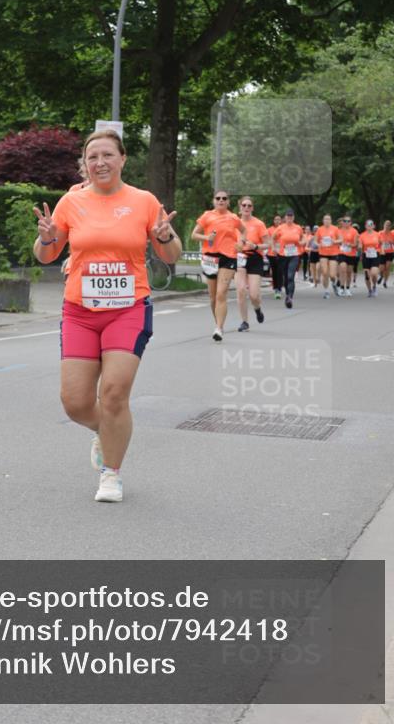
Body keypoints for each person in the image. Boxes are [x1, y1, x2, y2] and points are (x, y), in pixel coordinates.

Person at [32, 129, 181, 504]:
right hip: (80, 311)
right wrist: (47, 237)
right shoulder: (71, 202)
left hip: (128, 309)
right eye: (92, 156)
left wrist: (164, 237)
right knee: (76, 402)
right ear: (85, 163)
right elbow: (45, 255)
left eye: (107, 155)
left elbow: (172, 255)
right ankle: (108, 432)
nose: (100, 162)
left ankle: (110, 473)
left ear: (122, 159)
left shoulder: (144, 201)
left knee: (113, 394)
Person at [191, 190, 246, 341]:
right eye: (218, 198)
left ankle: (219, 328)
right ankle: (218, 323)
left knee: (221, 293)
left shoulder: (233, 217)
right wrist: (206, 237)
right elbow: (194, 235)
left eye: (224, 198)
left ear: (228, 202)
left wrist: (241, 242)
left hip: (228, 256)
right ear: (214, 201)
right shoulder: (207, 215)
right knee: (213, 297)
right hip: (210, 257)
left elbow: (243, 230)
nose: (221, 200)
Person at [235, 196, 269, 332]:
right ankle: (244, 322)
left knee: (254, 295)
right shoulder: (235, 223)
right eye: (244, 205)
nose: (246, 208)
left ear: (252, 208)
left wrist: (255, 246)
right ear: (240, 207)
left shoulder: (259, 224)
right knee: (241, 290)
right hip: (239, 258)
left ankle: (257, 309)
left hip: (255, 258)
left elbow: (268, 244)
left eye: (249, 206)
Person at [271, 210, 305, 308]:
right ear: (285, 217)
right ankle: (287, 294)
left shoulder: (298, 228)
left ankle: (289, 297)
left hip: (294, 255)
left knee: (290, 276)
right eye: (288, 216)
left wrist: (303, 242)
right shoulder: (280, 228)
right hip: (283, 255)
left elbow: (303, 238)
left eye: (291, 216)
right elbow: (273, 238)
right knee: (285, 277)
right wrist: (273, 248)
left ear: (293, 217)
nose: (289, 218)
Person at [316, 214, 340, 299]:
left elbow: (341, 239)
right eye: (325, 219)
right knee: (325, 272)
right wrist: (319, 244)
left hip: (333, 253)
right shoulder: (319, 229)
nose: (327, 221)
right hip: (323, 253)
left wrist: (334, 241)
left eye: (328, 219)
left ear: (331, 221)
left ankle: (334, 283)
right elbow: (315, 241)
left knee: (332, 275)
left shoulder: (335, 229)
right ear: (323, 220)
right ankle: (326, 291)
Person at [337, 215, 360, 297]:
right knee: (343, 268)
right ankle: (341, 287)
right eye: (345, 221)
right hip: (341, 253)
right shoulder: (339, 231)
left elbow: (356, 244)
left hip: (351, 254)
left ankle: (348, 288)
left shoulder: (354, 231)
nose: (346, 222)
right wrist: (339, 243)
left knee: (349, 272)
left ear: (351, 222)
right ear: (342, 222)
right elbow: (337, 242)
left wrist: (350, 244)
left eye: (348, 221)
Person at [359, 220, 381, 297]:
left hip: (375, 255)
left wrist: (382, 250)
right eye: (367, 224)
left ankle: (374, 286)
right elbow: (360, 245)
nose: (369, 226)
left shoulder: (377, 234)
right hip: (366, 255)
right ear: (365, 226)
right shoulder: (362, 235)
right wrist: (360, 247)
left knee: (374, 273)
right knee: (367, 275)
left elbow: (381, 243)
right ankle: (369, 290)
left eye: (371, 224)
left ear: (373, 226)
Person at [266, 214, 283, 299]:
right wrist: (273, 247)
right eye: (276, 219)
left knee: (280, 271)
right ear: (273, 221)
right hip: (271, 253)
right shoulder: (269, 230)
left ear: (281, 221)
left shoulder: (284, 229)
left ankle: (279, 288)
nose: (277, 221)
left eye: (279, 219)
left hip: (282, 253)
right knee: (274, 271)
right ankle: (276, 287)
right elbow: (268, 240)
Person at [378, 220, 394, 289]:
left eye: (388, 225)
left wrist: (392, 242)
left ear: (390, 226)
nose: (387, 226)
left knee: (387, 267)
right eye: (386, 225)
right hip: (382, 252)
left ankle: (385, 282)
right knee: (381, 268)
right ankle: (381, 276)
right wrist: (380, 242)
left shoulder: (392, 234)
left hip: (390, 252)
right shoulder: (380, 233)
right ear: (384, 225)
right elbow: (377, 242)